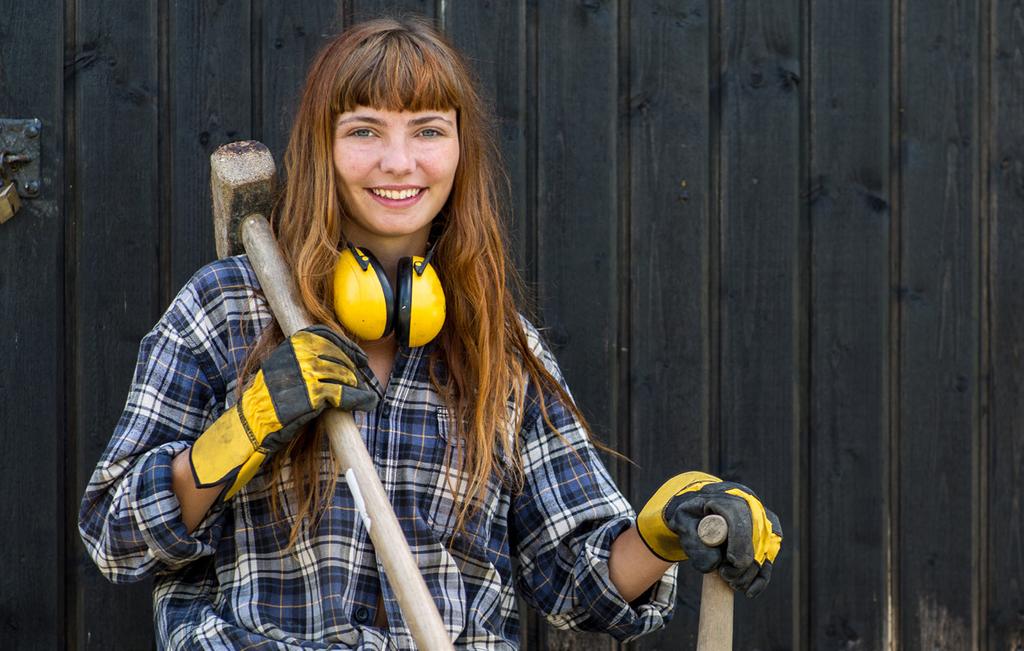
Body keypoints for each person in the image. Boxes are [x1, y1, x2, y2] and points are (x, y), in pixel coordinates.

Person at [78, 16, 782, 650]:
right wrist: (242, 430)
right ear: (323, 148)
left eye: (427, 130)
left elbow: (578, 582)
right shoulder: (227, 309)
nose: (398, 161)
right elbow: (116, 537)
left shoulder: (498, 348)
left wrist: (664, 531)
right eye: (364, 130)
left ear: (458, 150)